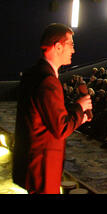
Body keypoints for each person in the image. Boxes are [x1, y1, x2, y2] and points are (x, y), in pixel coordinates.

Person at [12, 23, 92, 194]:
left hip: (31, 162)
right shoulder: (48, 81)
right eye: (71, 44)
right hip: (43, 165)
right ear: (58, 47)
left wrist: (80, 116)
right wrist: (80, 107)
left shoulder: (33, 74)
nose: (73, 50)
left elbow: (46, 114)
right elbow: (61, 128)